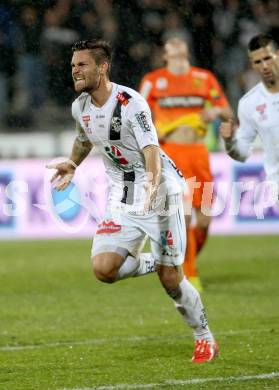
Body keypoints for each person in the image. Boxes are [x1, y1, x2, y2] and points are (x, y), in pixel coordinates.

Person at [47, 39, 218, 363]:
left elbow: (151, 148)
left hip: (159, 191)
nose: (75, 71)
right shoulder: (79, 106)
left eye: (82, 65)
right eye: (73, 66)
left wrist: (153, 185)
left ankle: (204, 337)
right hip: (122, 197)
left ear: (102, 67)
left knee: (172, 281)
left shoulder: (130, 102)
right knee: (104, 269)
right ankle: (158, 262)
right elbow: (84, 139)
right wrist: (72, 162)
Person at [139, 37, 233, 292]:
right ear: (165, 55)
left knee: (204, 220)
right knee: (185, 214)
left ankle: (184, 259)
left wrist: (215, 112)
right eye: (171, 45)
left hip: (200, 154)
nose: (177, 44)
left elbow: (226, 111)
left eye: (180, 43)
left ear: (186, 51)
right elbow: (138, 113)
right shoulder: (153, 81)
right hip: (171, 154)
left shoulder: (204, 79)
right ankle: (190, 274)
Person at [220, 33, 279, 190]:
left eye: (268, 58)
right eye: (258, 62)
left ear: (278, 55)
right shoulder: (249, 103)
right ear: (252, 65)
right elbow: (242, 154)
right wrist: (229, 141)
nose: (264, 66)